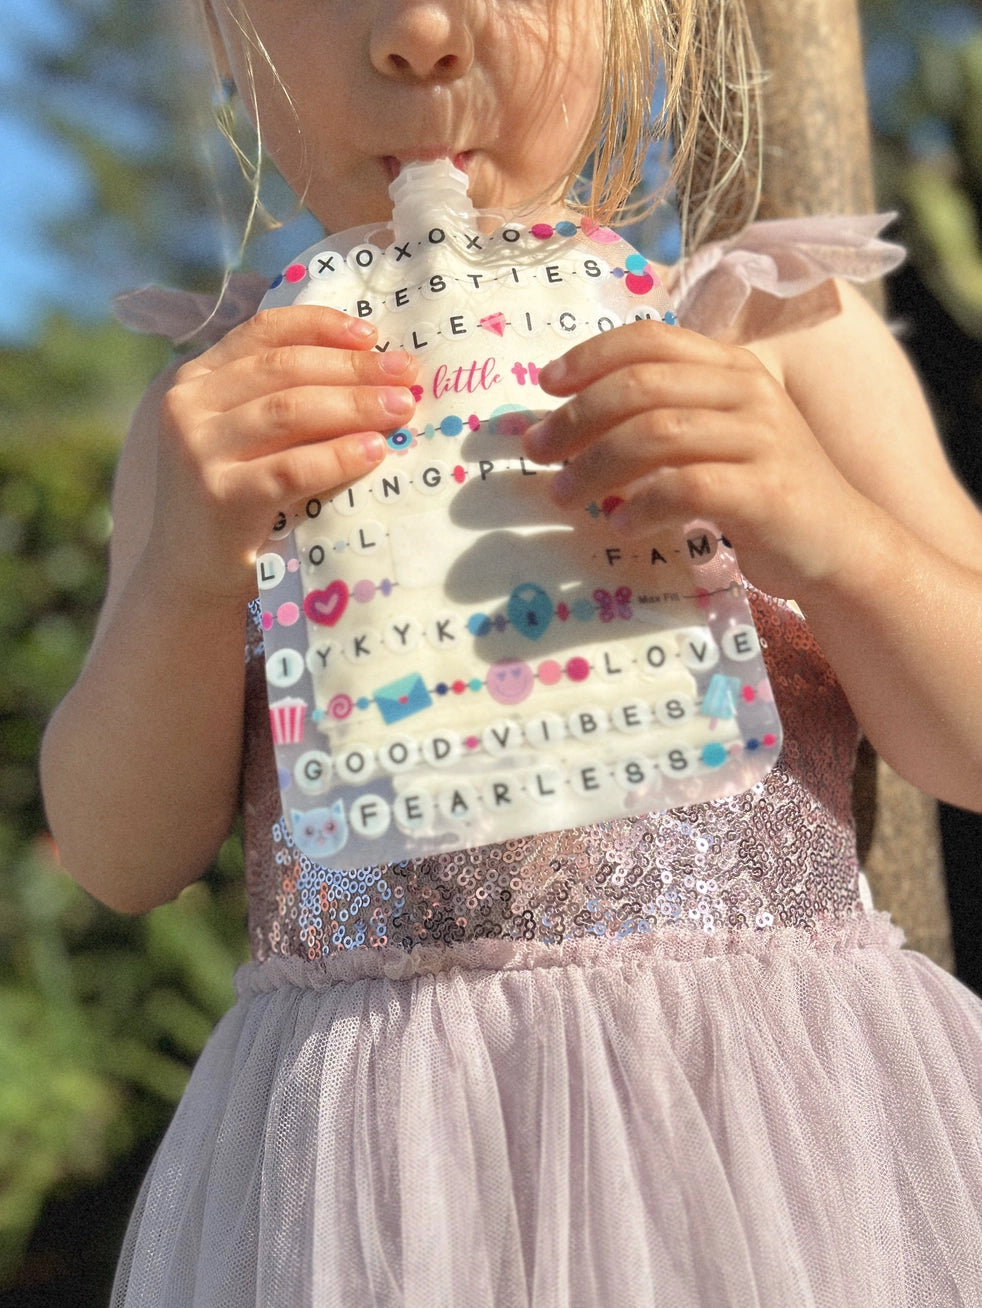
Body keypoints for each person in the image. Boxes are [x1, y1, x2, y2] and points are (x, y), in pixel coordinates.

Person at [40, 0, 982, 1300]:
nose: (419, 30)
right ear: (226, 34)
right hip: (383, 1163)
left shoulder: (766, 338)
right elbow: (120, 854)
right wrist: (188, 581)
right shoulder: (222, 423)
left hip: (762, 1131)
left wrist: (831, 537)